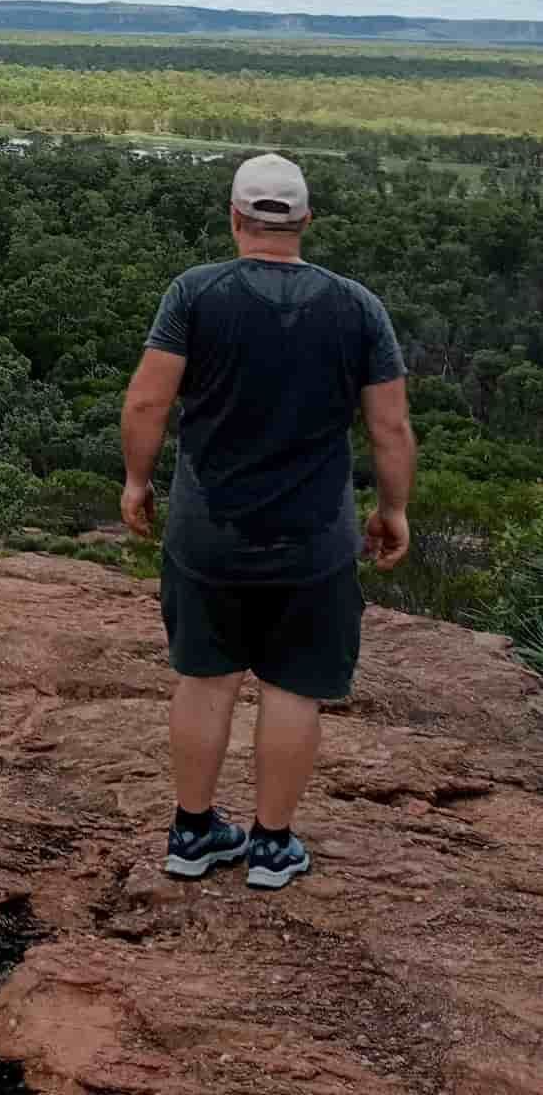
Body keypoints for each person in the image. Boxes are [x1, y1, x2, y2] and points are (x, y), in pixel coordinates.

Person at [121, 152, 415, 892]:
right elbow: (391, 428)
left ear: (234, 218)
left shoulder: (194, 293)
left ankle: (192, 833)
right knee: (292, 688)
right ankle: (273, 846)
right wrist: (393, 510)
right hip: (313, 542)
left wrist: (135, 481)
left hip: (206, 533)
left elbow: (148, 402)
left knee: (205, 680)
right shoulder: (358, 307)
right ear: (306, 222)